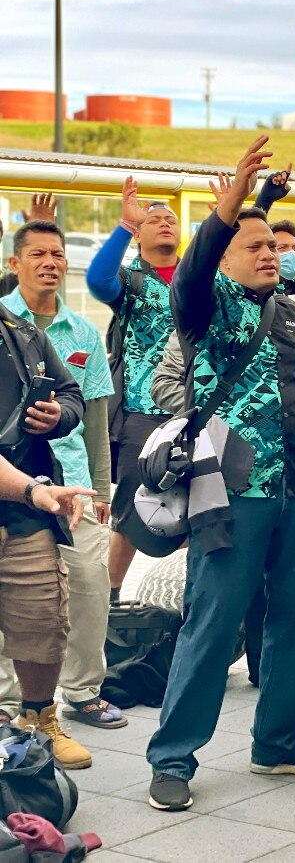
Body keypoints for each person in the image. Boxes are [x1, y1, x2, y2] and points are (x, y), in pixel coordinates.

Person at [145, 137, 295, 813]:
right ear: (224, 257)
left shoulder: (293, 317)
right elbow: (188, 277)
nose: (271, 254)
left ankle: (277, 741)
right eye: (254, 247)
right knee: (213, 624)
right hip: (228, 494)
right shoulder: (205, 309)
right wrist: (225, 210)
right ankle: (172, 757)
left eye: (275, 247)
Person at [0, 216, 124, 734]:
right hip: (22, 487)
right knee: (24, 602)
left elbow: (90, 411)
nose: (50, 263)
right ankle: (13, 704)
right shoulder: (7, 324)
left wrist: (102, 487)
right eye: (38, 255)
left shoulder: (80, 333)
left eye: (57, 255)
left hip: (74, 482)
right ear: (15, 264)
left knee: (91, 588)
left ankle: (83, 691)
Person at [0, 274, 88, 768]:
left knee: (41, 621)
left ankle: (39, 721)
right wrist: (34, 491)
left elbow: (73, 393)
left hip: (27, 517)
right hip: (32, 496)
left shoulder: (22, 332)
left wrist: (60, 415)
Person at [85, 179, 180, 600]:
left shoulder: (201, 276)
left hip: (198, 408)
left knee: (204, 506)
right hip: (143, 410)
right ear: (140, 234)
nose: (164, 223)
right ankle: (111, 598)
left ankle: (196, 595)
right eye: (154, 218)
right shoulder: (133, 279)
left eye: (171, 219)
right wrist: (125, 224)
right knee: (129, 509)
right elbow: (97, 280)